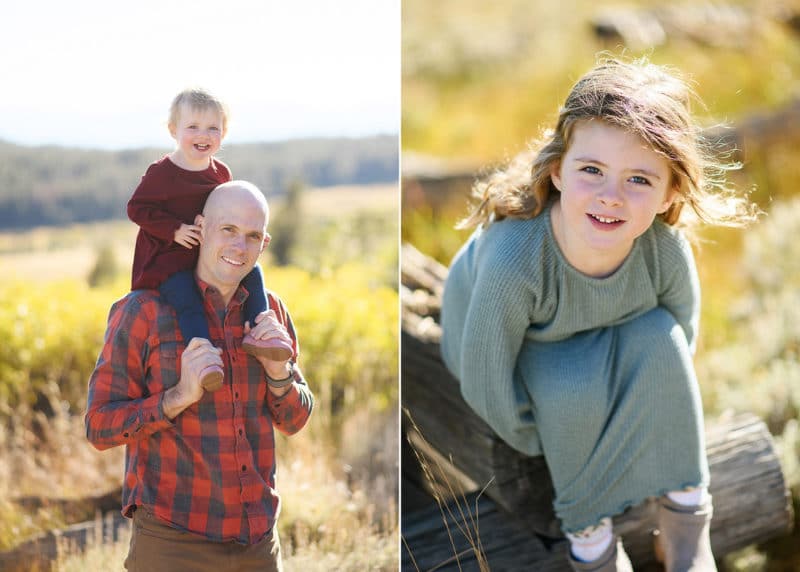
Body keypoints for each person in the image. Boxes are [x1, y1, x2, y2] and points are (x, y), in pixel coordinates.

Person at [439, 57, 758, 572]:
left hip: (615, 330)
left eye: (639, 179)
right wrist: (535, 438)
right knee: (569, 387)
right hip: (523, 348)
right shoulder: (515, 261)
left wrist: (648, 404)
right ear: (557, 170)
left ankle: (684, 523)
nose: (611, 196)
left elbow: (685, 329)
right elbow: (485, 374)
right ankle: (592, 544)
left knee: (663, 338)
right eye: (592, 170)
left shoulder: (661, 248)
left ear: (669, 192)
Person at [86, 181, 314, 571]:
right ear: (201, 227)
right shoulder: (142, 311)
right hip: (172, 544)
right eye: (228, 230)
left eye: (252, 236)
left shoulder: (269, 311)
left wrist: (280, 374)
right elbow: (99, 426)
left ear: (265, 242)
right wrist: (177, 397)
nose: (239, 247)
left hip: (258, 545)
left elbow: (295, 420)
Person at [127, 88, 291, 392]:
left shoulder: (220, 174)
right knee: (188, 299)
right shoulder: (162, 173)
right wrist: (174, 229)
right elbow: (136, 208)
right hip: (170, 259)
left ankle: (259, 331)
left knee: (254, 274)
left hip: (206, 256)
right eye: (192, 127)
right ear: (173, 130)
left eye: (212, 128)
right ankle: (203, 357)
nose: (203, 135)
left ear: (223, 133)